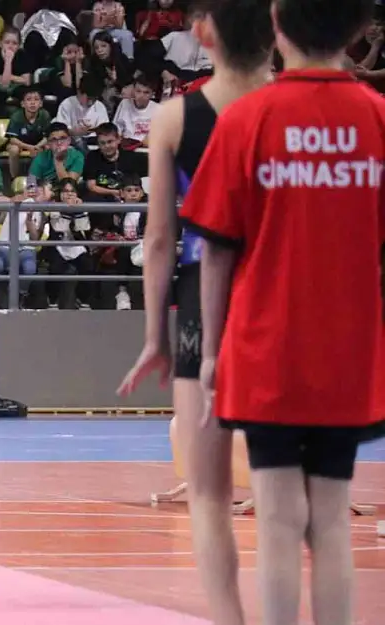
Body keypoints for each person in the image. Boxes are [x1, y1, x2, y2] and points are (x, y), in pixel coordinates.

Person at [181, 1, 384, 623]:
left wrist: (211, 352)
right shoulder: (378, 119)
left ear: (277, 22)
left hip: (265, 354)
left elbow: (214, 254)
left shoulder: (249, 119)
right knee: (330, 520)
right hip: (348, 359)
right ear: (357, 31)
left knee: (276, 519)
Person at [115, 2, 274, 622]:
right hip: (279, 295)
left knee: (209, 498)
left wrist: (154, 332)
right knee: (288, 490)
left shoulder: (177, 116)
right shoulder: (291, 110)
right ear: (277, 31)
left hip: (200, 301)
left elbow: (159, 237)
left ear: (201, 34)